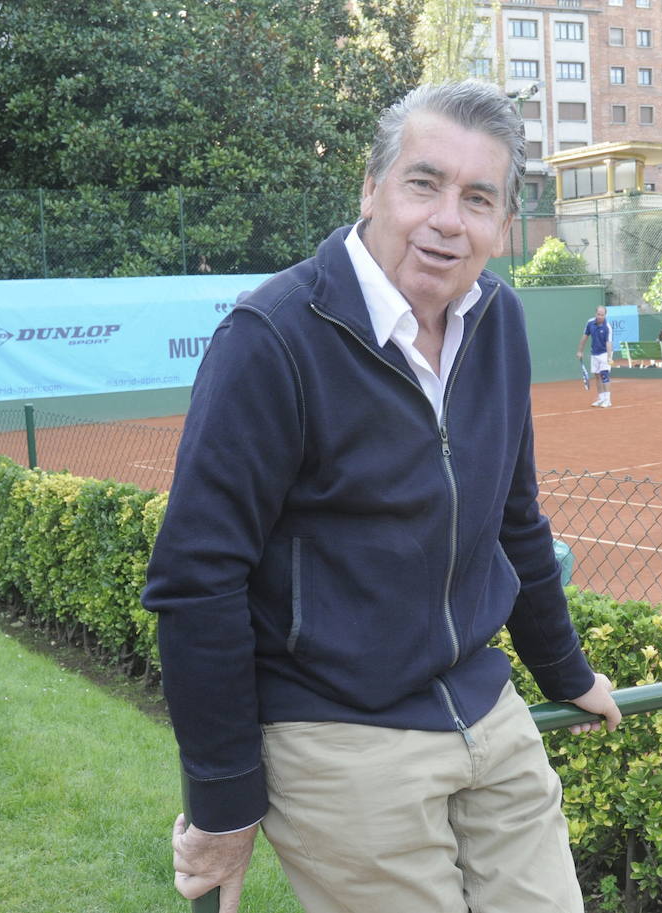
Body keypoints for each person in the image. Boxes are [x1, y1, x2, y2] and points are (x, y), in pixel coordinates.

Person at [143, 81, 622, 913]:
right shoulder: (272, 339)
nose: (447, 219)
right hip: (337, 731)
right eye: (423, 183)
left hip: (483, 707)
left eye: (478, 198)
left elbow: (514, 518)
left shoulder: (498, 320)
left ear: (502, 225)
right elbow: (196, 578)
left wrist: (564, 669)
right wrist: (224, 801)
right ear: (371, 188)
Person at [577, 305, 614, 406]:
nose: (600, 316)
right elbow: (584, 337)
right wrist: (580, 351)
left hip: (605, 353)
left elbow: (609, 343)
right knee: (597, 376)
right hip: (595, 353)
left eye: (602, 315)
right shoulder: (590, 323)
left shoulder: (607, 327)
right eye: (598, 314)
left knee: (604, 375)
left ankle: (608, 400)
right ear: (595, 313)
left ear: (605, 315)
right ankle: (601, 398)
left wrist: (609, 357)